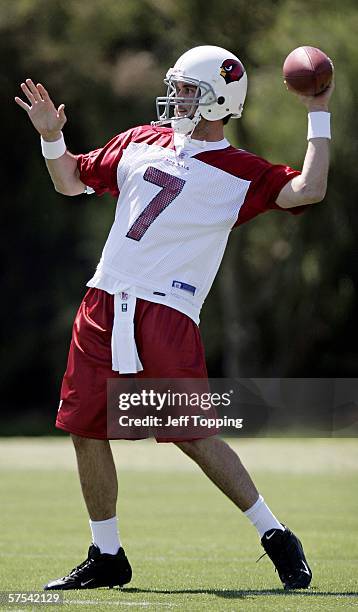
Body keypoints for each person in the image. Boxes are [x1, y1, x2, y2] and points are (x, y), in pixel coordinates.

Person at [15, 45, 333, 591]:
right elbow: (69, 180)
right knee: (84, 429)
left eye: (188, 90)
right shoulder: (142, 139)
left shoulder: (241, 171)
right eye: (178, 86)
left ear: (217, 100)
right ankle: (107, 553)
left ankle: (275, 534)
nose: (177, 97)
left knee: (191, 434)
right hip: (103, 300)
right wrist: (51, 136)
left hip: (167, 310)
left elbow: (311, 187)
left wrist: (317, 110)